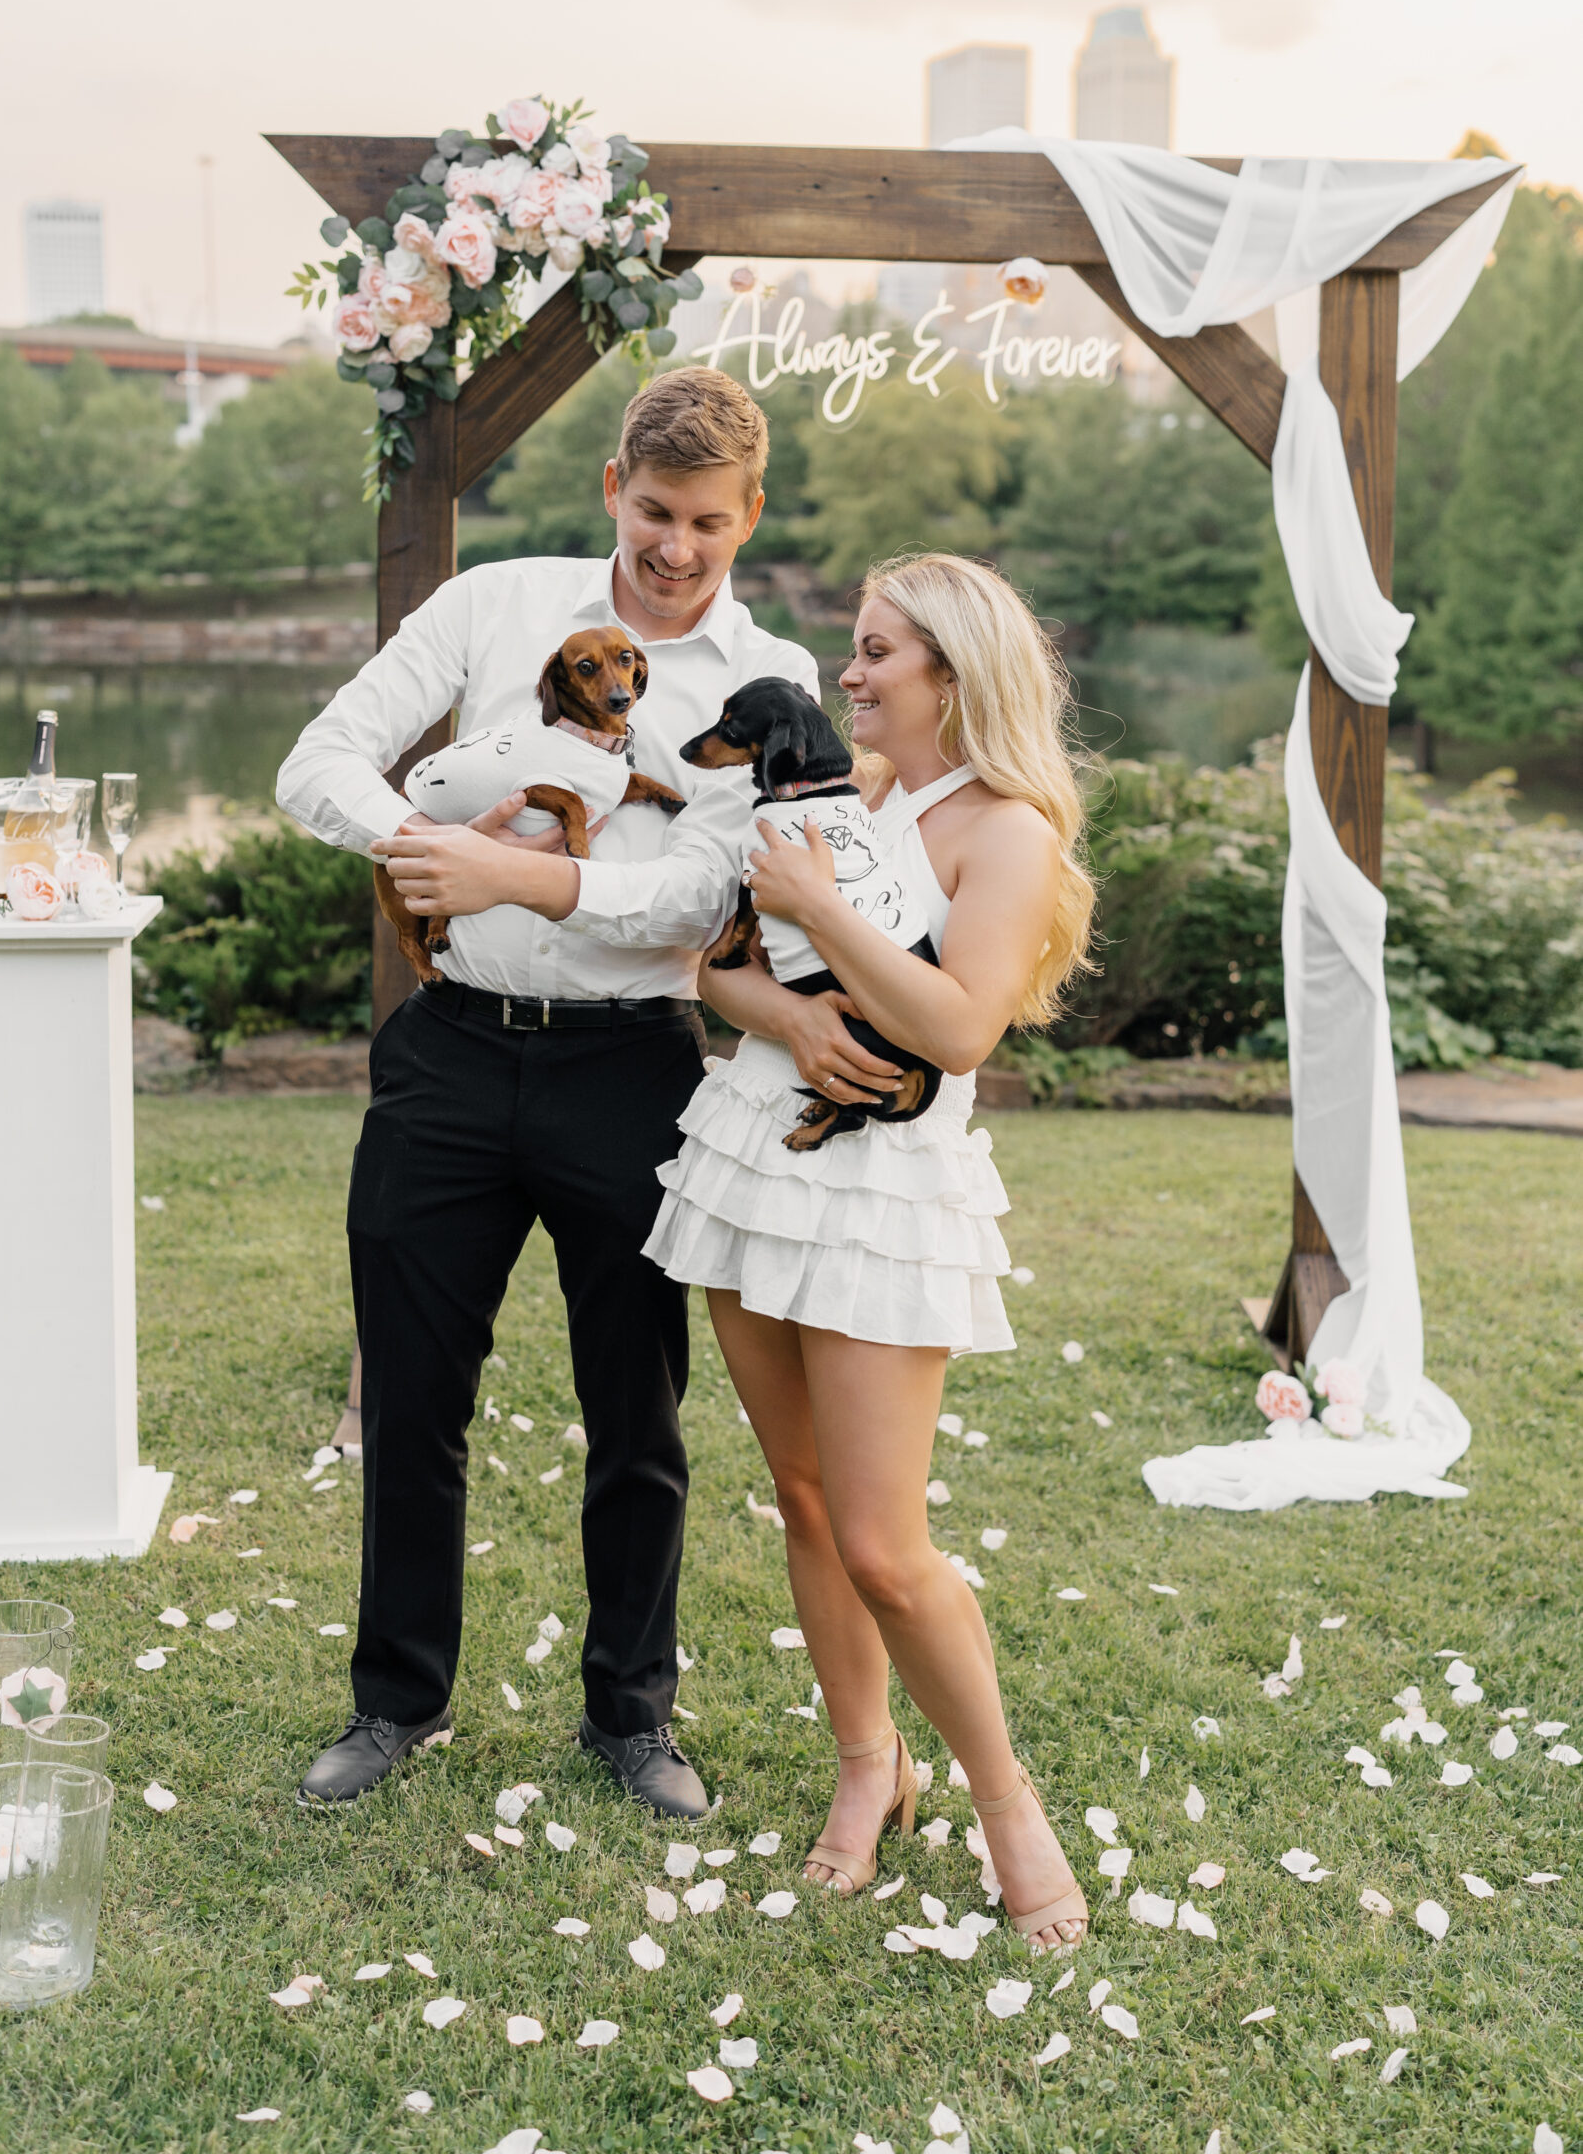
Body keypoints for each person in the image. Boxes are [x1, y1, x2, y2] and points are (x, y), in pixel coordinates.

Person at [275, 367, 817, 1816]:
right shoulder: (492, 603)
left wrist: (518, 871)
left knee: (636, 1410)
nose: (677, 548)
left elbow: (705, 891)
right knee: (411, 1394)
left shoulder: (772, 686)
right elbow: (313, 761)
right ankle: (396, 1703)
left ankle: (633, 1720)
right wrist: (421, 843)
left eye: (708, 521)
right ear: (611, 494)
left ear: (748, 516)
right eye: (654, 513)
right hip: (448, 1048)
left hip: (630, 1071)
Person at [642, 552, 1097, 1946]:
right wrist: (790, 1017)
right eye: (852, 648)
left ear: (953, 674)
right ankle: (866, 1768)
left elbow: (962, 1030)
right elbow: (714, 971)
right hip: (755, 1156)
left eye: (877, 651)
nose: (849, 675)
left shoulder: (1005, 830)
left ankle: (1009, 1803)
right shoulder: (849, 799)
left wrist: (827, 914)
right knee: (803, 1498)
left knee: (889, 1544)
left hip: (887, 1189)